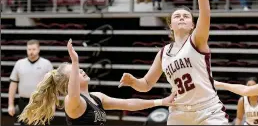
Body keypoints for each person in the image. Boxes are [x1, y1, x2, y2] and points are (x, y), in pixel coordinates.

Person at [119, 0, 229, 125]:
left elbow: (205, 14)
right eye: (177, 16)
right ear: (171, 25)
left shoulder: (197, 40)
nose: (182, 18)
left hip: (208, 110)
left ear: (193, 24)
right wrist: (133, 81)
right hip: (179, 112)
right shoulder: (163, 53)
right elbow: (147, 84)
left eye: (186, 16)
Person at [18, 39, 176, 125]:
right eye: (76, 72)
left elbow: (128, 104)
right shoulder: (72, 101)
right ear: (69, 82)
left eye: (79, 69)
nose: (80, 70)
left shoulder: (96, 97)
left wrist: (161, 101)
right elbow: (73, 91)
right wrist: (74, 61)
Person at [8, 40, 53, 124]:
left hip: (41, 102)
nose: (31, 52)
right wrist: (10, 105)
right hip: (23, 102)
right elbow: (13, 84)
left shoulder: (46, 64)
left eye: (33, 49)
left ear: (38, 49)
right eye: (29, 49)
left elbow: (52, 86)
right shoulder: (19, 63)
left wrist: (52, 104)